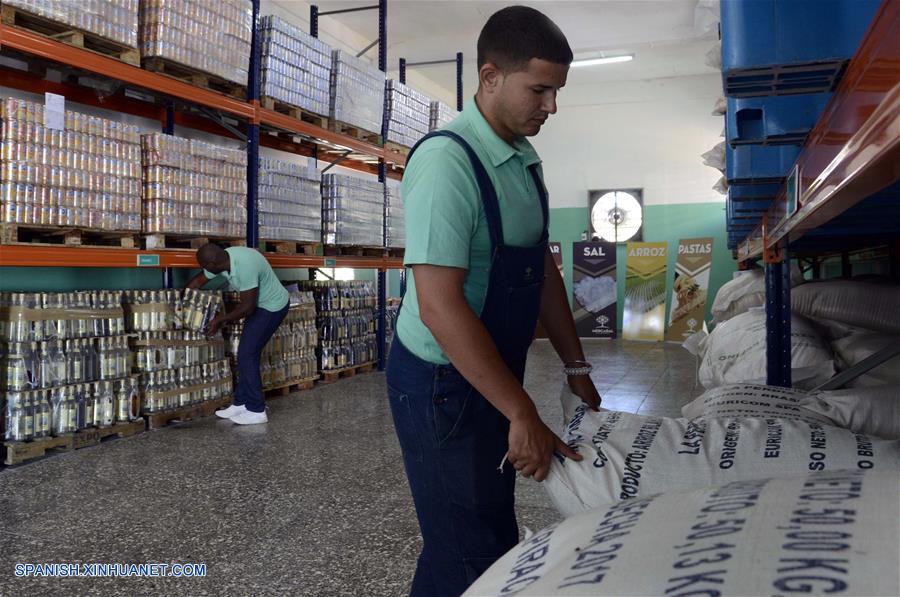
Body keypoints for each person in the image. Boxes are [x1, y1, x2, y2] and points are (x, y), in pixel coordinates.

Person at [385, 6, 602, 595]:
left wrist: (575, 365)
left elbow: (544, 274)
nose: (551, 106)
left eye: (556, 91)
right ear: (489, 77)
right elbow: (439, 306)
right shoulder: (446, 163)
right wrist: (521, 411)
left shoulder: (525, 163)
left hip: (490, 373)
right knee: (466, 547)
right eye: (540, 89)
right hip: (440, 384)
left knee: (483, 532)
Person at [186, 243, 289, 426]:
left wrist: (219, 320)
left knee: (247, 354)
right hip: (258, 306)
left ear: (213, 263)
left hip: (272, 307)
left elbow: (247, 308)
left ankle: (257, 410)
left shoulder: (244, 267)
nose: (204, 269)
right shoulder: (223, 260)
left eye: (205, 266)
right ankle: (241, 402)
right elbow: (197, 283)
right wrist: (184, 302)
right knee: (246, 353)